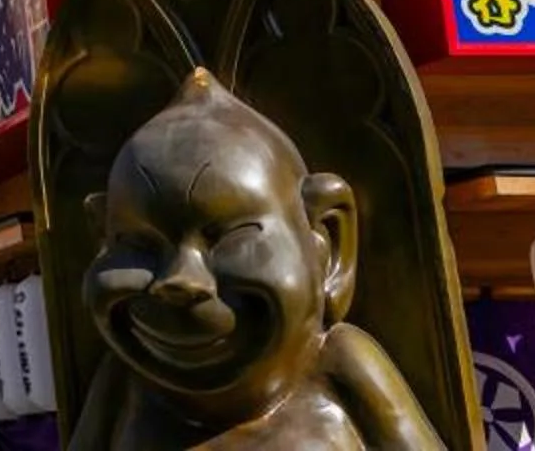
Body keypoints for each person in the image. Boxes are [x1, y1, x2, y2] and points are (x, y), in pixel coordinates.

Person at [70, 70, 445, 449]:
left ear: (327, 243)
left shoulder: (341, 363)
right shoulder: (124, 385)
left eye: (233, 239)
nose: (180, 280)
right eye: (139, 244)